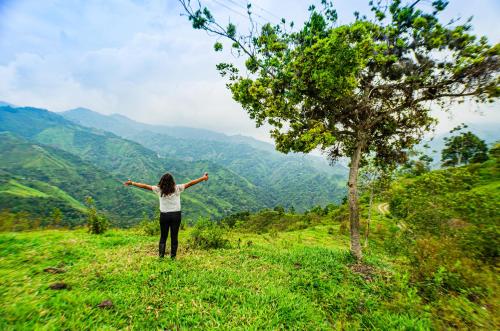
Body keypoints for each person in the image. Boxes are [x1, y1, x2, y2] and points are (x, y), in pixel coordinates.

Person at [124, 172, 209, 259]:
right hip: (176, 215)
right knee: (174, 236)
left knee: (163, 237)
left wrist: (132, 183)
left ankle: (161, 257)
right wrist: (203, 178)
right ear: (172, 181)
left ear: (162, 181)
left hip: (164, 215)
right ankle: (173, 257)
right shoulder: (177, 188)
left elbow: (145, 186)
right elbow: (191, 183)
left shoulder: (159, 189)